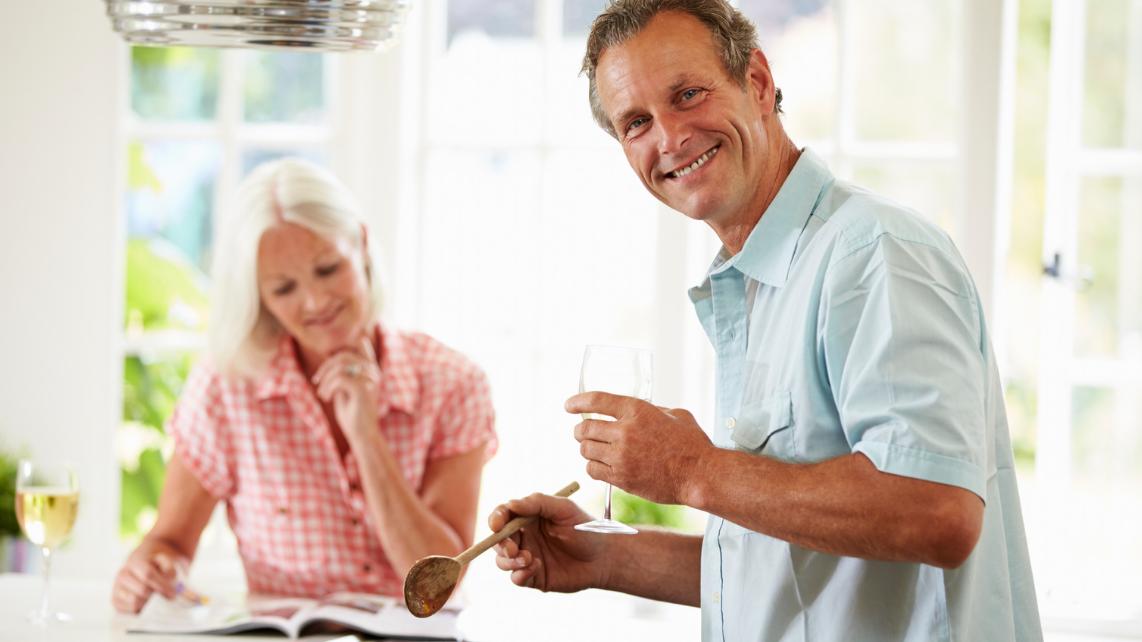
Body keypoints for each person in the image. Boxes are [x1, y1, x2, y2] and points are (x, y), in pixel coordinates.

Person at [489, 1, 1041, 640]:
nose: (668, 138)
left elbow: (936, 513)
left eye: (687, 94)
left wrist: (693, 471)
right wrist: (605, 555)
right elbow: (785, 567)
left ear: (756, 82)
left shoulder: (873, 252)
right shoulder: (754, 281)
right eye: (636, 122)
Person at [112, 158, 497, 613]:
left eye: (328, 268)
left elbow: (442, 580)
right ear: (259, 297)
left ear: (361, 244)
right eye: (283, 288)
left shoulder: (453, 383)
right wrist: (147, 570)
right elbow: (169, 543)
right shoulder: (227, 386)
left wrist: (366, 439)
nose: (315, 302)